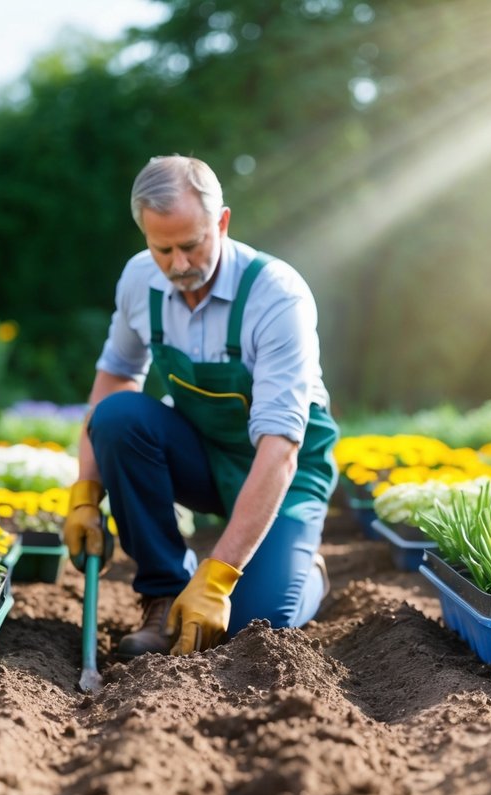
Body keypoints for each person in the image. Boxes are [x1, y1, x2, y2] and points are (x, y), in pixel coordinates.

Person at [63, 154, 339, 658]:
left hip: (281, 471)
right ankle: (163, 593)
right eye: (161, 248)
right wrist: (85, 490)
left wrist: (218, 578)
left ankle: (305, 574)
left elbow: (280, 449)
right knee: (119, 417)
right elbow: (114, 379)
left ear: (222, 222)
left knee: (253, 626)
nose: (178, 264)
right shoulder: (139, 281)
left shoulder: (276, 296)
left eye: (191, 245)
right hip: (202, 453)